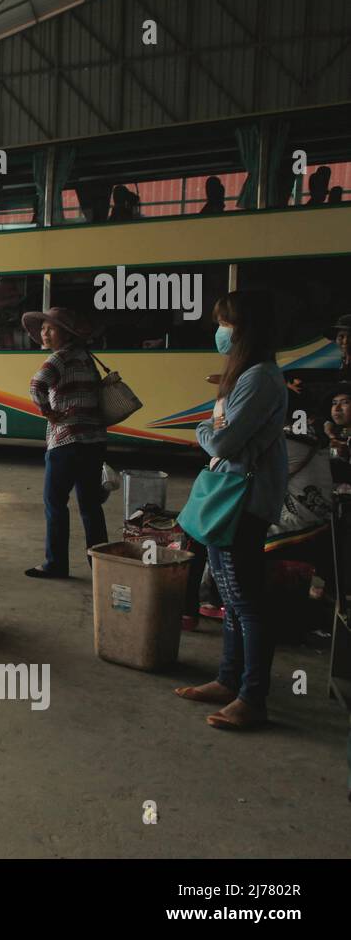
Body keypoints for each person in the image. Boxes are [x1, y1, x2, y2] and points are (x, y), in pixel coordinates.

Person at [174, 290, 287, 731]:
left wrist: (203, 427)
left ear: (244, 331)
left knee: (246, 601)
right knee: (233, 597)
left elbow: (221, 439)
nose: (220, 332)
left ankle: (252, 697)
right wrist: (215, 425)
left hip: (244, 500)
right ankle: (228, 679)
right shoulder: (248, 376)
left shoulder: (259, 378)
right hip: (234, 496)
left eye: (226, 324)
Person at [21, 306, 108, 579]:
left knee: (55, 503)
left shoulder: (58, 359)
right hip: (94, 441)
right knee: (91, 506)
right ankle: (102, 566)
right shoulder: (85, 357)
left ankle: (56, 563)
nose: (45, 333)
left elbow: (36, 386)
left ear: (64, 333)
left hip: (66, 442)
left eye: (51, 328)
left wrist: (49, 413)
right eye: (43, 328)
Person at [326, 315, 351, 381]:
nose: (345, 341)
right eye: (341, 336)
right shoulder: (342, 361)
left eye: (350, 336)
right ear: (335, 340)